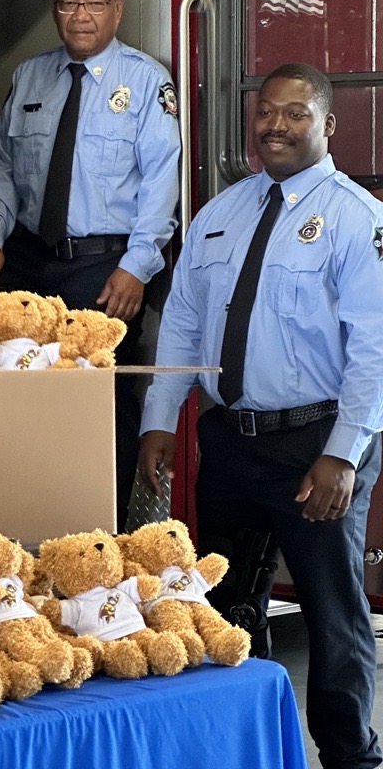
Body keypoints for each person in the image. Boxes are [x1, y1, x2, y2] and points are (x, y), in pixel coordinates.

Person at [139, 63, 382, 769]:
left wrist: (344, 453)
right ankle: (241, 750)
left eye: (295, 114)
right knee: (222, 606)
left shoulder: (355, 218)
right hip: (231, 442)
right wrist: (160, 420)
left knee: (332, 614)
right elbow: (183, 323)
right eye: (266, 112)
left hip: (316, 443)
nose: (275, 126)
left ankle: (351, 757)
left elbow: (374, 347)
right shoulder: (221, 212)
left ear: (327, 124)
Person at [0, 0, 181, 528]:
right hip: (27, 261)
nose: (81, 15)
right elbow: (1, 167)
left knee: (98, 404)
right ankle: (25, 526)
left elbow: (161, 184)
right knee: (14, 392)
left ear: (117, 8)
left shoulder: (146, 82)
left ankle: (102, 536)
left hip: (103, 268)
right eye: (69, 3)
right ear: (55, 9)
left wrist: (137, 267)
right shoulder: (30, 76)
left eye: (94, 2)